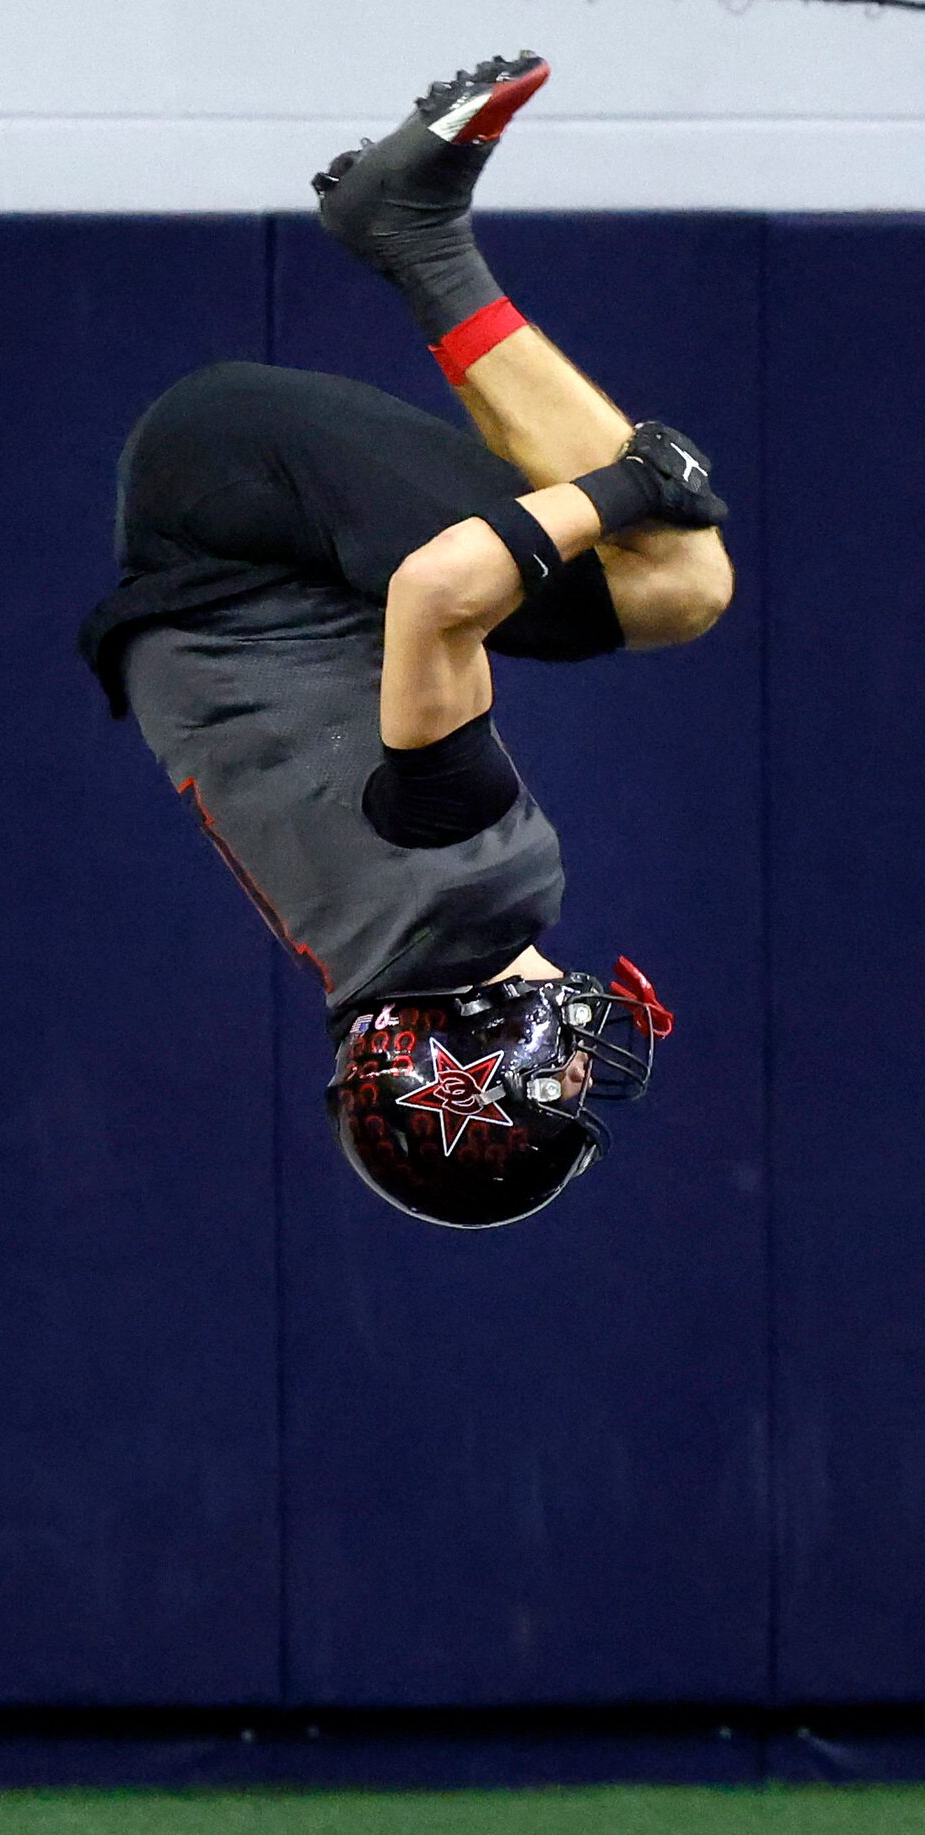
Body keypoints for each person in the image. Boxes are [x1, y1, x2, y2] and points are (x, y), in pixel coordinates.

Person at [76, 54, 735, 1229]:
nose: (581, 1071)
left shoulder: (475, 889)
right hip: (214, 553)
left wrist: (635, 483)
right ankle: (415, 231)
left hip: (237, 493)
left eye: (549, 1091)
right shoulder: (391, 955)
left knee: (682, 571)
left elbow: (437, 591)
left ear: (478, 1059)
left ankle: (419, 235)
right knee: (650, 590)